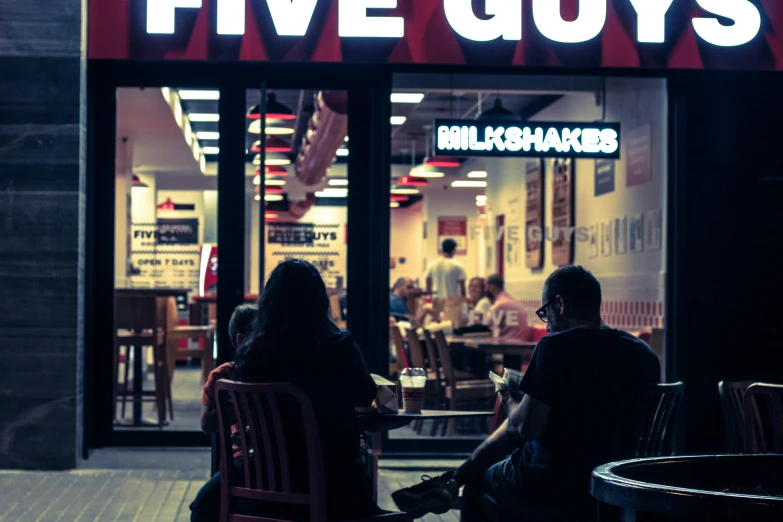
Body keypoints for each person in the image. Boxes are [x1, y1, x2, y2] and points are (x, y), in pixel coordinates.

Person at [392, 266, 661, 521]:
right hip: (618, 481)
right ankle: (452, 478)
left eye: (545, 314)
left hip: (550, 481)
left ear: (560, 305)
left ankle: (455, 480)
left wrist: (513, 400)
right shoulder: (642, 354)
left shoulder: (555, 348)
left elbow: (526, 429)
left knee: (481, 478)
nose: (545, 326)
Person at [190, 260, 381, 521]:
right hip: (333, 486)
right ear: (319, 302)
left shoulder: (252, 357)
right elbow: (365, 395)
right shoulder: (339, 347)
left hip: (259, 483)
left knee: (203, 507)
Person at [485, 274, 533, 341]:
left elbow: (486, 324)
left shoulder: (500, 304)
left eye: (486, 286)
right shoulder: (510, 299)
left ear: (492, 287)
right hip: (524, 340)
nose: (485, 289)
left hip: (511, 343)